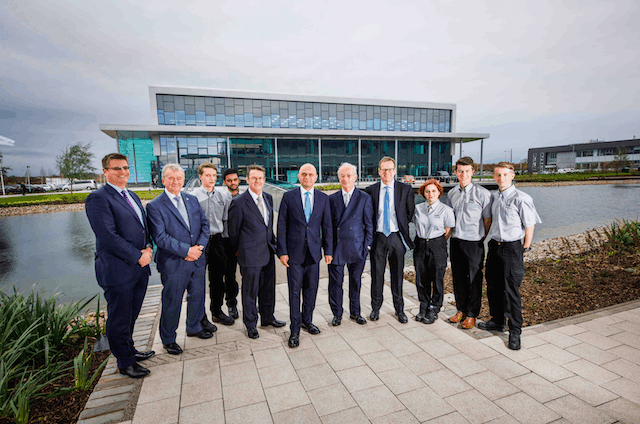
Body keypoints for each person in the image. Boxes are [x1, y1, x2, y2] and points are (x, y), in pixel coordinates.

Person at [85, 153, 155, 379]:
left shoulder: (132, 195)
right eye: (117, 169)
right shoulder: (98, 198)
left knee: (131, 314)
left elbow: (142, 228)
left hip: (138, 268)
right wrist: (138, 256)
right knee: (119, 317)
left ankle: (129, 350)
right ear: (105, 171)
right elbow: (108, 236)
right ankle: (125, 363)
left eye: (125, 168)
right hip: (118, 270)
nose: (123, 172)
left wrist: (148, 248)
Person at [147, 164, 214, 356]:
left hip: (197, 259)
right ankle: (168, 339)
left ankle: (193, 327)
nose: (175, 181)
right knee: (172, 301)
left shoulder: (191, 200)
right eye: (171, 178)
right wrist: (187, 251)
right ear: (163, 180)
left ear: (184, 179)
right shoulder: (155, 206)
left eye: (179, 178)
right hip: (174, 263)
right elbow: (160, 237)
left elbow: (204, 225)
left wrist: (199, 247)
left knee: (198, 296)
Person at [480, 162, 541, 350]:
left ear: (512, 175)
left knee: (511, 290)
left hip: (512, 247)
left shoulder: (521, 198)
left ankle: (515, 331)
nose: (501, 178)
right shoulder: (494, 198)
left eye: (505, 175)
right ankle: (498, 321)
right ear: (494, 177)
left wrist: (526, 247)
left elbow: (529, 224)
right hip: (495, 246)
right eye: (498, 175)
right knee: (493, 286)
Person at [277, 163, 333, 348]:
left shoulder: (323, 199)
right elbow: (282, 226)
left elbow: (327, 227)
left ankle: (307, 321)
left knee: (311, 290)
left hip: (314, 254)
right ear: (299, 177)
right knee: (294, 292)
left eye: (311, 174)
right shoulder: (288, 197)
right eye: (304, 174)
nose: (307, 177)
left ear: (316, 177)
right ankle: (294, 330)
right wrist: (282, 251)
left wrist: (329, 251)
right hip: (294, 255)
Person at [228, 164, 285, 339]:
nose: (258, 181)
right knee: (250, 291)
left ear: (264, 179)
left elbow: (269, 227)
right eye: (254, 178)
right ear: (247, 179)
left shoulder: (268, 198)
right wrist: (240, 251)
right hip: (250, 255)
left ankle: (267, 318)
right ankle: (250, 324)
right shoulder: (238, 203)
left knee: (268, 288)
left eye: (260, 178)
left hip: (267, 252)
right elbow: (233, 232)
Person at [365, 157, 415, 323]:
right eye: (383, 169)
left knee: (397, 275)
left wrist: (400, 230)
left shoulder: (405, 189)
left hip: (396, 236)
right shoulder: (370, 190)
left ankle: (399, 310)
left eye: (390, 169)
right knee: (377, 275)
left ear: (394, 171)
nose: (386, 173)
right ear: (379, 171)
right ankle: (375, 308)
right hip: (378, 237)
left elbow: (408, 213)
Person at [447, 157, 492, 330]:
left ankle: (472, 314)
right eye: (460, 171)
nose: (463, 174)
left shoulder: (483, 194)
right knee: (458, 277)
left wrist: (481, 238)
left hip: (474, 243)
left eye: (467, 171)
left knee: (474, 279)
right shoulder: (452, 194)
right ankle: (461, 309)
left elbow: (487, 220)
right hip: (456, 241)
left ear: (473, 172)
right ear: (456, 172)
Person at [327, 162, 373, 326]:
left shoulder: (364, 198)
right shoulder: (331, 199)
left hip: (357, 248)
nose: (346, 179)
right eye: (342, 176)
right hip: (336, 248)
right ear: (339, 178)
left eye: (349, 175)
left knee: (355, 282)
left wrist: (367, 246)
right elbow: (327, 227)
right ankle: (337, 314)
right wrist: (328, 250)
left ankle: (355, 312)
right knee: (335, 284)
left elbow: (369, 225)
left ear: (355, 177)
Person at [193, 163, 235, 326]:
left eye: (213, 175)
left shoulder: (224, 196)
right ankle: (200, 316)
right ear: (200, 177)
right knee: (197, 281)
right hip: (199, 241)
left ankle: (217, 312)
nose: (211, 178)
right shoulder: (192, 196)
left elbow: (225, 220)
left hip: (218, 240)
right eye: (207, 175)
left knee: (218, 279)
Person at [413, 179, 455, 324]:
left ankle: (434, 307)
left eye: (433, 191)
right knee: (421, 278)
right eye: (427, 191)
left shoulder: (446, 210)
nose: (430, 194)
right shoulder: (418, 209)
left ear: (439, 193)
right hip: (420, 244)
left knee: (437, 277)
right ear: (423, 193)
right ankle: (423, 306)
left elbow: (448, 230)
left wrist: (437, 242)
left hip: (437, 244)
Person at [221, 168, 241, 319]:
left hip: (245, 241)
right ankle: (231, 303)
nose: (232, 183)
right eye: (229, 180)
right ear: (224, 182)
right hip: (227, 241)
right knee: (229, 274)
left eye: (235, 179)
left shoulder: (246, 197)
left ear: (239, 180)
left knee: (250, 273)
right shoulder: (221, 198)